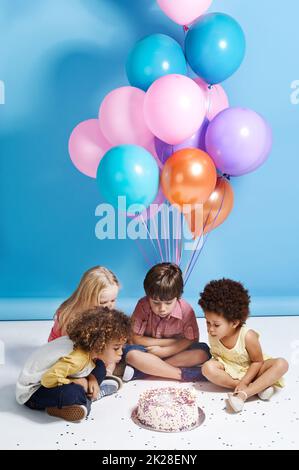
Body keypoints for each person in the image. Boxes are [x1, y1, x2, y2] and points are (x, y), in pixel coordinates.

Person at [16, 308, 131, 422]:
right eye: (116, 348)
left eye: (122, 347)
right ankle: (86, 400)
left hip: (55, 375)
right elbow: (47, 379)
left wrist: (92, 379)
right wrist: (77, 381)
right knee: (74, 393)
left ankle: (91, 390)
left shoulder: (87, 347)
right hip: (33, 393)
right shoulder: (78, 358)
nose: (120, 352)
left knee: (100, 366)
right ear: (98, 344)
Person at [198, 279, 289, 413]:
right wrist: (239, 381)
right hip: (231, 369)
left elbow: (258, 361)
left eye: (216, 325)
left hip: (253, 368)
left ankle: (244, 394)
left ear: (234, 323)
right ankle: (258, 388)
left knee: (282, 364)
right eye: (207, 322)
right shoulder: (214, 334)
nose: (210, 329)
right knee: (207, 368)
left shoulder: (248, 336)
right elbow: (218, 358)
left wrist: (245, 381)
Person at [123, 263, 211, 382]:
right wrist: (169, 343)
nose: (162, 308)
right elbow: (134, 338)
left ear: (178, 297)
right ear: (148, 296)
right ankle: (183, 374)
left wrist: (166, 351)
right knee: (131, 355)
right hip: (148, 351)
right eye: (155, 302)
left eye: (168, 303)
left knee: (203, 353)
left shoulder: (186, 310)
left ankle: (143, 370)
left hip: (177, 352)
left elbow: (192, 340)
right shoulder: (143, 305)